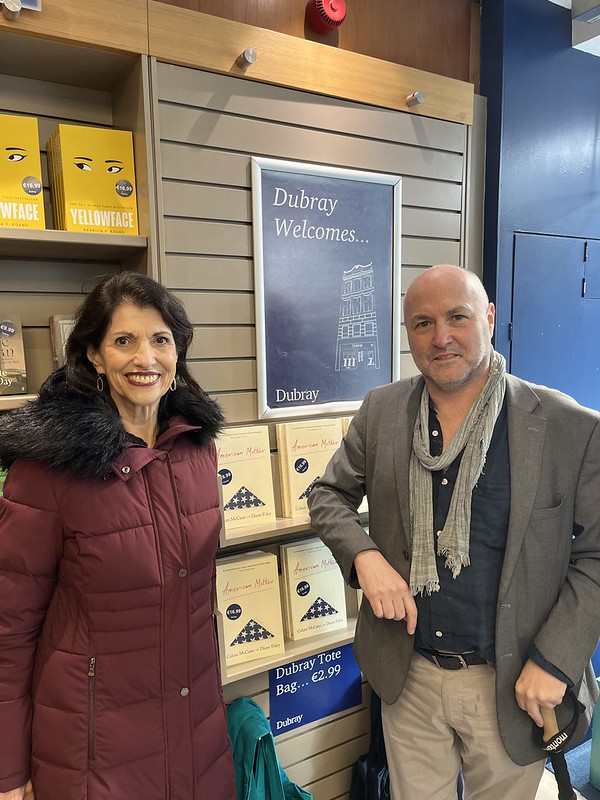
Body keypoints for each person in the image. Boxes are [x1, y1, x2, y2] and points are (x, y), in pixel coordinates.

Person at [308, 264, 600, 800]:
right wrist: (365, 558)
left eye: (457, 318)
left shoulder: (569, 427)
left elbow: (598, 555)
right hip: (408, 674)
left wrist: (555, 659)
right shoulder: (382, 411)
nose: (440, 337)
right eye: (422, 323)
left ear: (489, 318)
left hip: (513, 683)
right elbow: (327, 496)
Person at [0, 271, 236, 800]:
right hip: (95, 751)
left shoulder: (197, 450)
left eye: (161, 340)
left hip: (195, 730)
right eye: (123, 341)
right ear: (93, 356)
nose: (144, 358)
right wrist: (9, 773)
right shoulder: (48, 469)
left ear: (178, 353)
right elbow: (8, 630)